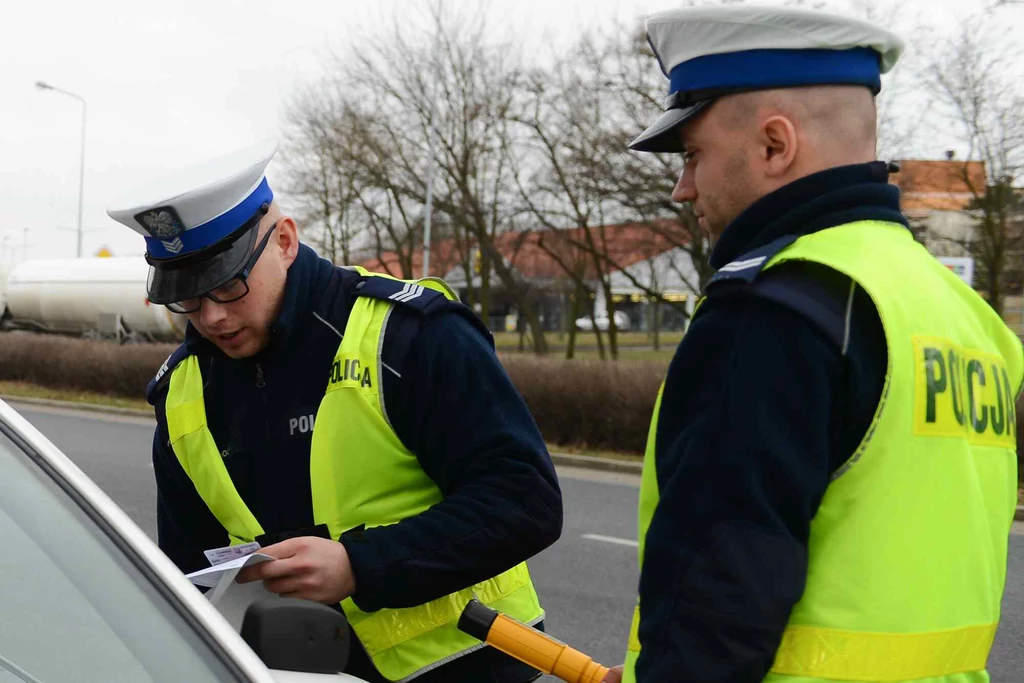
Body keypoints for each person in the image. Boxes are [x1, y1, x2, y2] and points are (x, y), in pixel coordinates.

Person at [601, 6, 1024, 683]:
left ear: (775, 144)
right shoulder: (965, 315)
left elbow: (717, 607)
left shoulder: (775, 309)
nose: (684, 188)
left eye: (692, 155)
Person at [106, 140, 562, 683]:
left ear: (285, 240)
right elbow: (190, 572)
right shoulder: (181, 391)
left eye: (229, 286)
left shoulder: (410, 335)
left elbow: (524, 500)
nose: (211, 317)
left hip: (470, 666)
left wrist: (360, 566)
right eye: (187, 298)